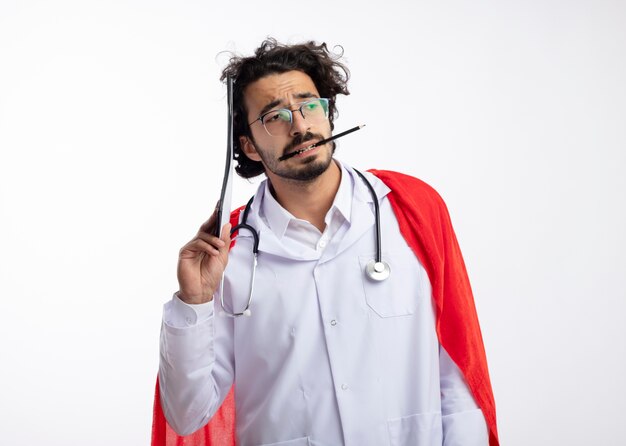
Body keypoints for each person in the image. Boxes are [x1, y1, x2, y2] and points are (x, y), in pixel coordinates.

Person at [153, 38, 499, 446]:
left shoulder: (411, 211)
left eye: (309, 105)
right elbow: (188, 415)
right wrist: (193, 302)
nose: (300, 126)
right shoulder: (227, 255)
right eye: (274, 116)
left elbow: (456, 374)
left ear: (329, 113)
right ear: (248, 145)